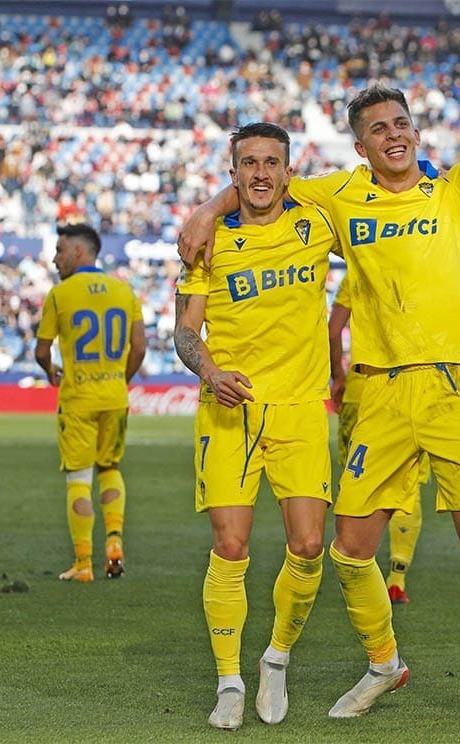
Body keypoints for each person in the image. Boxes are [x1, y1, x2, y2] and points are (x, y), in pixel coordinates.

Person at [179, 9, 460, 735]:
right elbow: (263, 185)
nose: (394, 134)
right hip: (378, 391)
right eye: (378, 128)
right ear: (361, 145)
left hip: (453, 384)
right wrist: (212, 206)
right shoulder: (337, 196)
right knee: (347, 549)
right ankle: (383, 663)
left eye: (401, 123)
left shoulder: (454, 190)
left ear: (415, 130)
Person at [173, 123, 339, 731]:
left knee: (309, 547)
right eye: (250, 163)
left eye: (272, 162)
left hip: (300, 408)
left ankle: (276, 658)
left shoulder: (318, 224)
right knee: (230, 546)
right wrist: (210, 371)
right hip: (230, 411)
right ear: (234, 173)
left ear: (289, 173)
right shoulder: (210, 242)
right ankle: (229, 682)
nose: (261, 173)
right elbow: (184, 332)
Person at [35, 223, 146, 584]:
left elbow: (41, 350)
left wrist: (50, 369)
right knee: (110, 468)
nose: (55, 259)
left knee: (79, 480)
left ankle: (83, 563)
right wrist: (120, 380)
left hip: (78, 398)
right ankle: (114, 542)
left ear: (79, 251)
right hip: (114, 396)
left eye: (59, 250)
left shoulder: (59, 295)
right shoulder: (125, 291)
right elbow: (139, 348)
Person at [329, 273, 431, 605]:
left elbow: (333, 330)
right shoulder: (419, 266)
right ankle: (397, 579)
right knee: (408, 486)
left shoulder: (359, 270)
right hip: (411, 388)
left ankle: (357, 571)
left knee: (357, 482)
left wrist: (338, 376)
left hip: (363, 388)